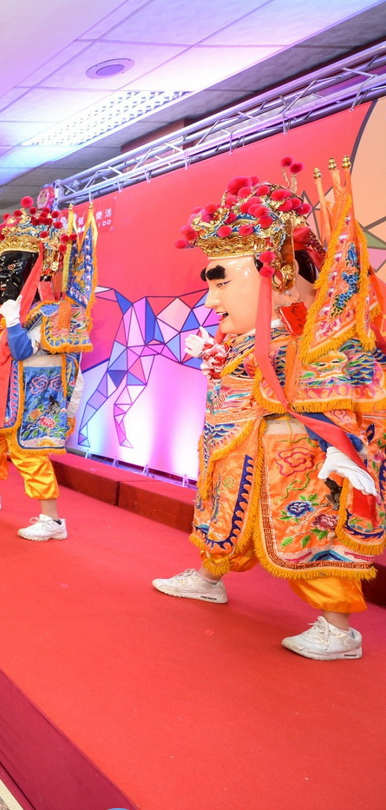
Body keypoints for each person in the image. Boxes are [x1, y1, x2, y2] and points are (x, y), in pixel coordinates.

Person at [152, 162, 386, 660]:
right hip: (236, 448)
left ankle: (338, 628)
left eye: (221, 285)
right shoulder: (252, 334)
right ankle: (211, 575)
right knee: (222, 510)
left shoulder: (315, 333)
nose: (213, 301)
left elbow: (342, 396)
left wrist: (340, 444)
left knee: (310, 527)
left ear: (274, 273)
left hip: (293, 456)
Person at [0, 199, 95, 542]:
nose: (4, 275)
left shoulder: (49, 312)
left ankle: (53, 520)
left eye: (14, 267)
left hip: (27, 402)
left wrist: (14, 321)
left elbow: (20, 351)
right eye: (0, 267)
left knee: (28, 455)